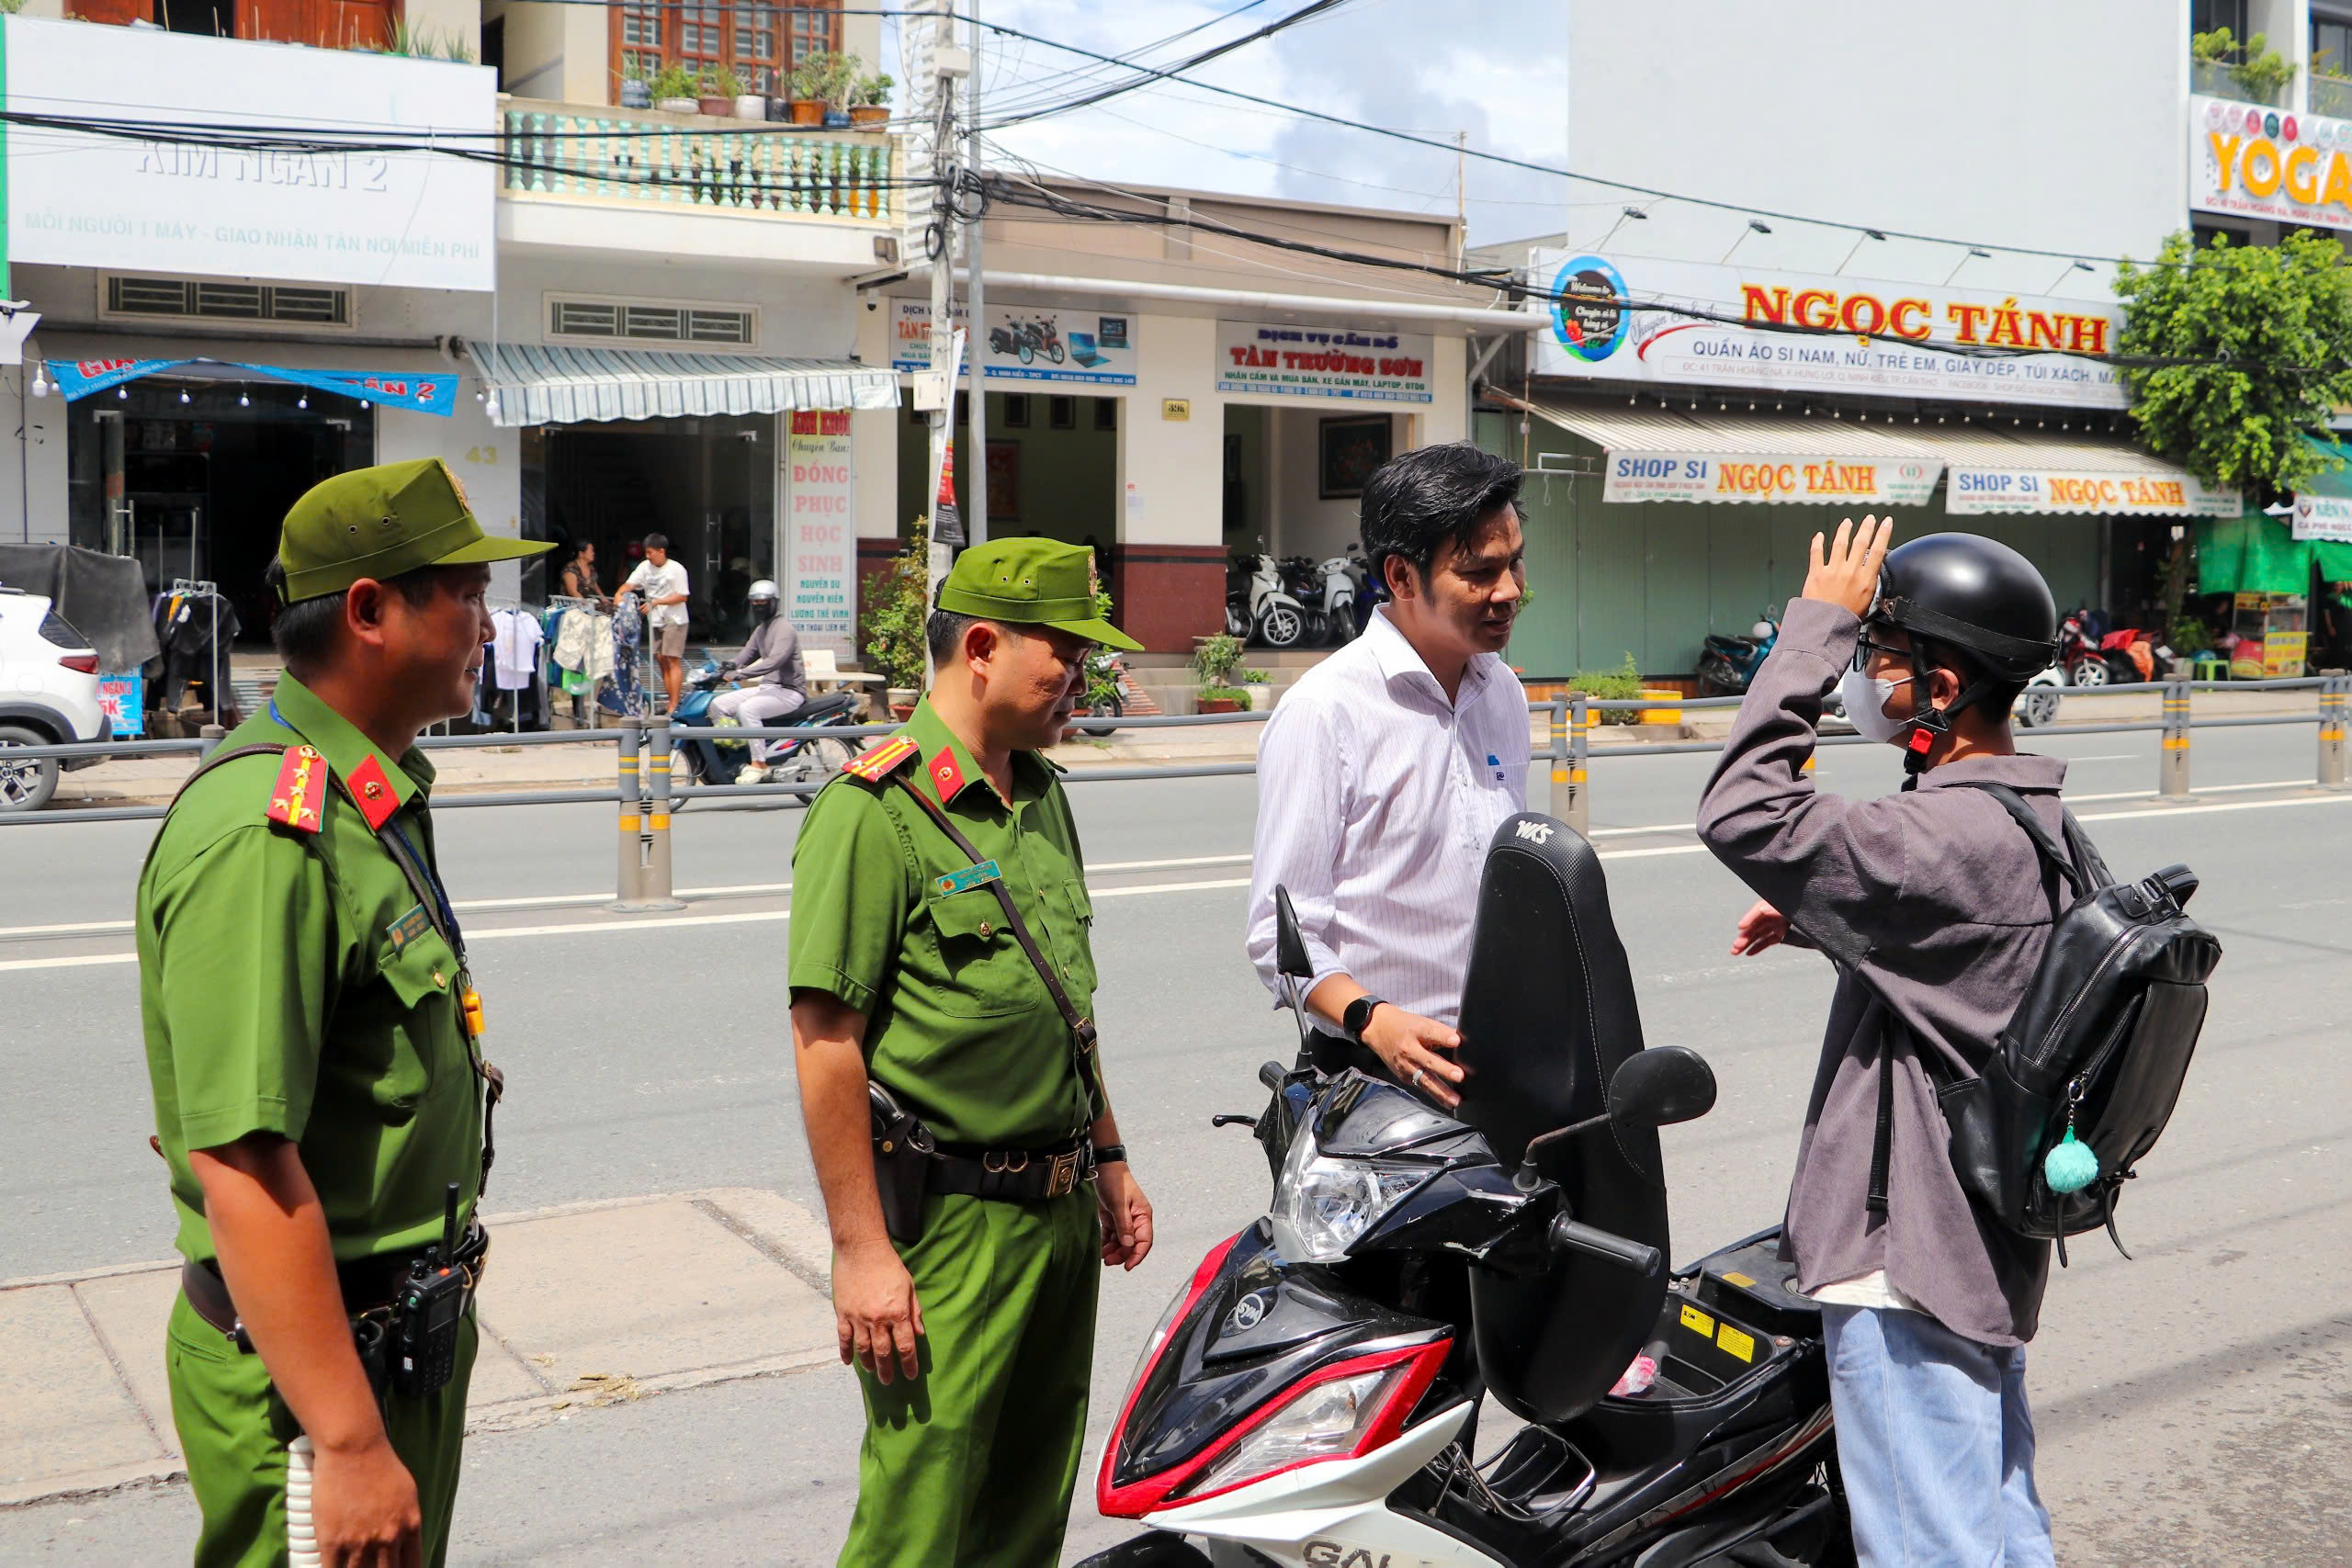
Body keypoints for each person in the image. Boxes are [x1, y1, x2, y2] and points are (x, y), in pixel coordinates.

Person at [136, 457, 551, 1568]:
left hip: (387, 1345)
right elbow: (243, 1159)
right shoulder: (269, 833)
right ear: (370, 610)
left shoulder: (372, 796)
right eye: (461, 591)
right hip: (314, 1377)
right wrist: (348, 1436)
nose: (485, 620)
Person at [1696, 519, 2069, 1568]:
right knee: (1995, 1530)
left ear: (1939, 688)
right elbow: (1974, 978)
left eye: (1880, 661)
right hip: (1979, 1250)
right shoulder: (2036, 826)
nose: (1866, 680)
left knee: (1925, 1546)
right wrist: (1844, 927)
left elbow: (1741, 809)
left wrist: (1811, 633)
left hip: (1904, 1260)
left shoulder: (1931, 842)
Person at [787, 537, 1155, 1568]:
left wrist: (1111, 1158)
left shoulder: (1042, 797)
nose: (1081, 681)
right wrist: (861, 1252)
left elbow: (1064, 1005)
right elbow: (826, 1046)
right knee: (921, 1517)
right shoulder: (873, 812)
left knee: (1027, 1508)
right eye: (1066, 658)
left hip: (1058, 1214)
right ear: (983, 647)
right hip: (946, 1227)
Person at [1245, 442, 1531, 1109]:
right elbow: (1277, 934)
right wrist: (1374, 1021)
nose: (1510, 590)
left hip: (1498, 1067)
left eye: (1515, 562)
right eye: (1480, 572)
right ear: (1402, 577)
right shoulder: (1325, 711)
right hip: (1375, 1081)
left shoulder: (1504, 693)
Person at [710, 578, 808, 782]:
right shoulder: (761, 629)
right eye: (754, 603)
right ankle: (737, 753)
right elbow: (745, 656)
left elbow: (774, 662)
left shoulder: (784, 629)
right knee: (718, 705)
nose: (758, 607)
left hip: (790, 691)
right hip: (768, 689)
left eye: (763, 603)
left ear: (774, 602)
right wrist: (725, 667)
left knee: (748, 709)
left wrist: (741, 674)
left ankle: (760, 763)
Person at [617, 532, 690, 712]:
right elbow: (630, 584)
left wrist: (656, 602)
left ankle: (674, 704)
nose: (647, 556)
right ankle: (669, 702)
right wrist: (620, 594)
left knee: (673, 660)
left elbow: (682, 596)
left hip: (675, 620)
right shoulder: (644, 567)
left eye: (650, 552)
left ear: (661, 551)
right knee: (661, 659)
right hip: (656, 621)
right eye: (646, 552)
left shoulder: (677, 569)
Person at [558, 540, 607, 606]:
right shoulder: (571, 568)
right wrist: (588, 605)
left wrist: (603, 598)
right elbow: (573, 591)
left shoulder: (591, 568)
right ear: (581, 554)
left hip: (585, 604)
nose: (593, 553)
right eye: (591, 551)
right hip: (571, 606)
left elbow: (594, 584)